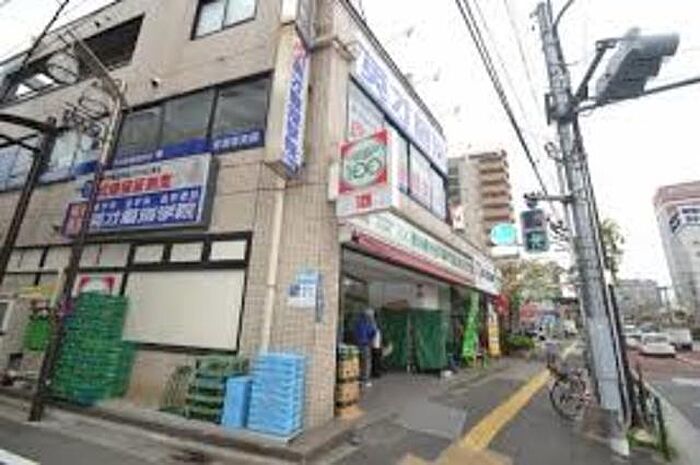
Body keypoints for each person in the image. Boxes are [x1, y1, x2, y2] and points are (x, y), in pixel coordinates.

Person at [354, 308, 377, 387]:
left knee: (359, 361)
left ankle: (358, 378)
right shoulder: (369, 323)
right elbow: (373, 332)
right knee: (366, 363)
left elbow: (355, 332)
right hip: (365, 344)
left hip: (357, 344)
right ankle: (365, 380)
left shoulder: (358, 322)